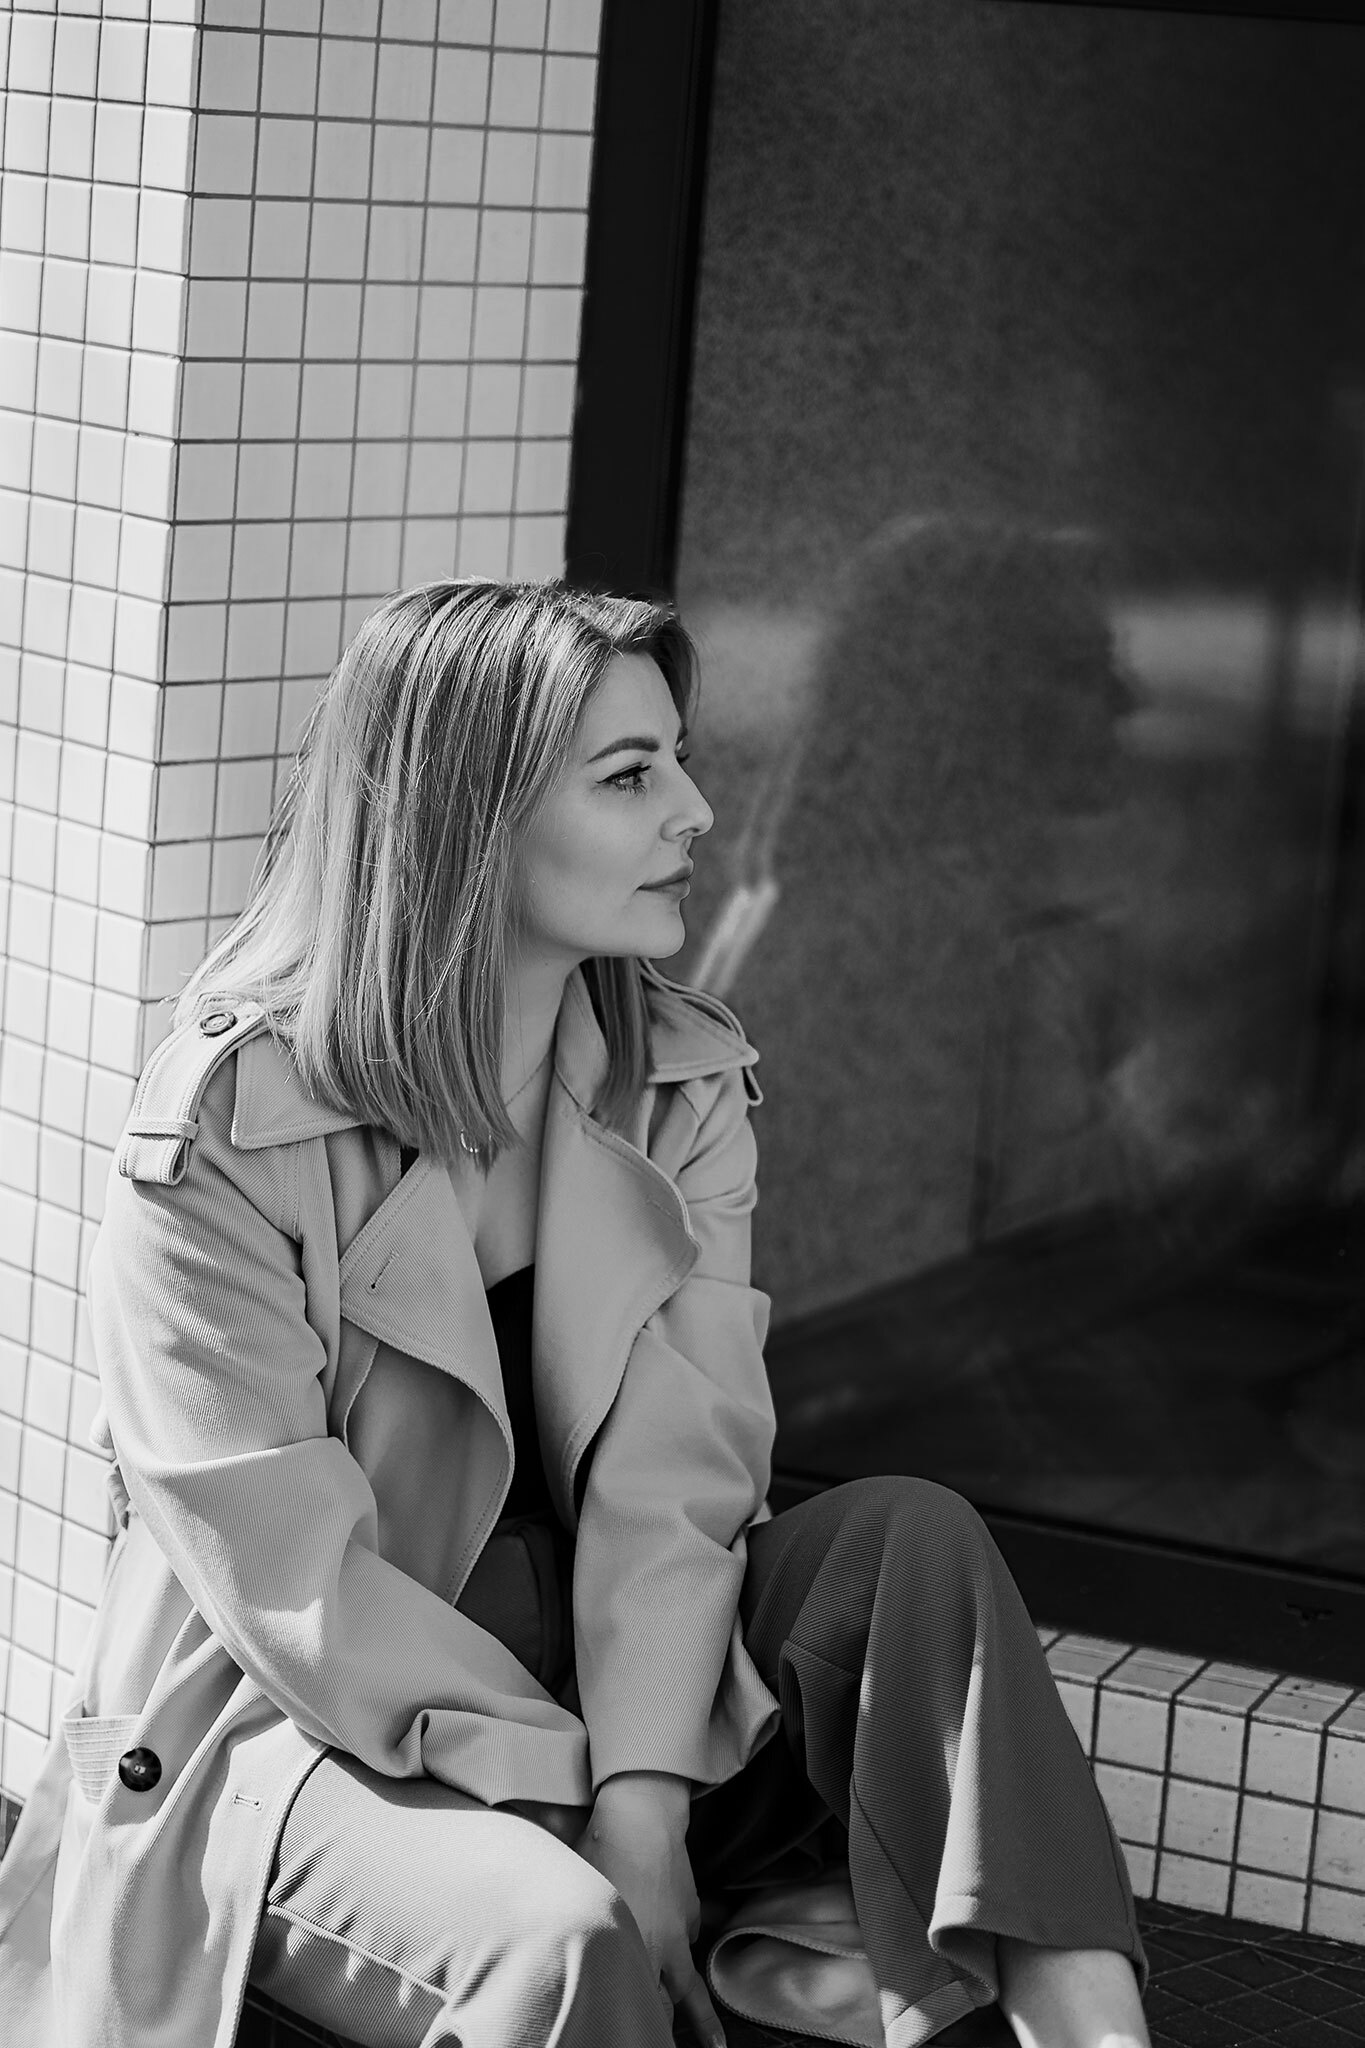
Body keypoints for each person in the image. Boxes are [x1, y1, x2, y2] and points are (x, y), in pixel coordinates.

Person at [0, 581, 1150, 2048]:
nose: (696, 813)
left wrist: (646, 1805)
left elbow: (679, 1476)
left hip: (617, 1695)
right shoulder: (233, 1129)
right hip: (306, 1731)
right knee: (561, 1937)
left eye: (679, 760)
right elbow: (296, 1589)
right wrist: (583, 1803)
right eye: (627, 776)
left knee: (908, 1540)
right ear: (466, 820)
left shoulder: (677, 1077)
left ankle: (1093, 2033)